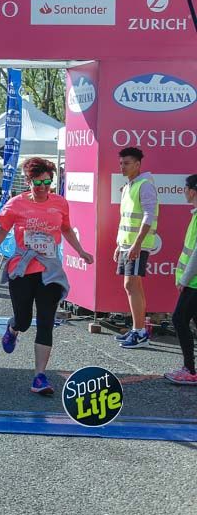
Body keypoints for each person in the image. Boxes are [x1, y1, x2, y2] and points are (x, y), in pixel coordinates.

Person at [0, 157, 94, 395]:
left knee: (46, 322)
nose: (44, 187)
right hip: (23, 269)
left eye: (48, 182)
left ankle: (39, 377)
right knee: (24, 320)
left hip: (50, 271)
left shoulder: (60, 203)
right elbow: (1, 231)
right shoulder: (16, 204)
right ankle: (13, 329)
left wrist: (81, 251)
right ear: (28, 182)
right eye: (38, 183)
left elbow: (66, 229)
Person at [114, 147, 159, 348]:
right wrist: (120, 244)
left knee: (131, 286)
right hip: (127, 245)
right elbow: (125, 219)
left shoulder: (144, 185)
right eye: (121, 163)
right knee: (132, 286)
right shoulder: (130, 185)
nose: (122, 166)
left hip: (137, 246)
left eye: (127, 163)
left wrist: (137, 244)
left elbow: (150, 216)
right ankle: (137, 329)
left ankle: (140, 332)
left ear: (138, 165)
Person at [166, 174, 197, 385]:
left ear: (193, 191)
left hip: (194, 283)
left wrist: (185, 279)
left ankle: (190, 370)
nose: (183, 192)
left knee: (179, 319)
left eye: (185, 188)